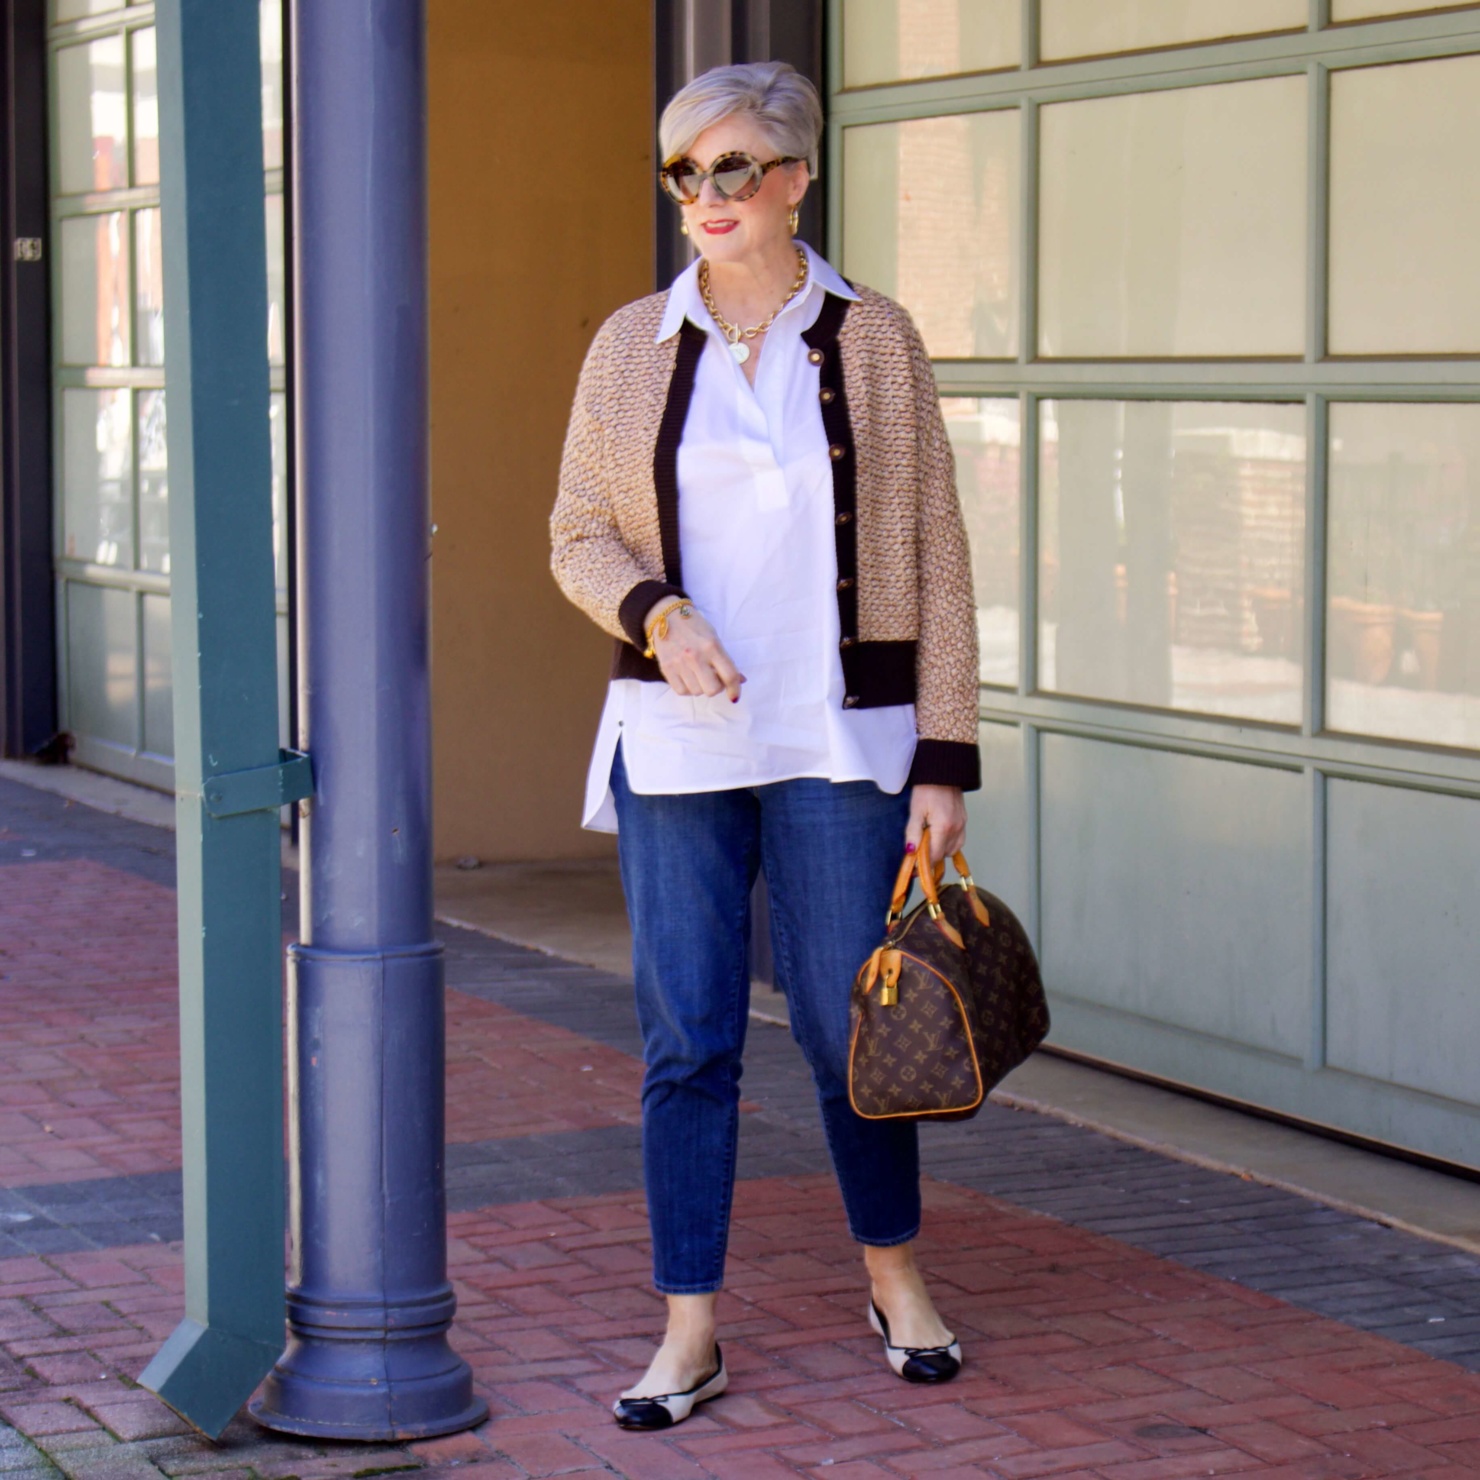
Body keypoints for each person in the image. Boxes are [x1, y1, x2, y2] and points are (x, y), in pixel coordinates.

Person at [550, 59, 981, 1431]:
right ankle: (689, 1329)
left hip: (837, 740)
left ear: (796, 175)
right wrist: (657, 613)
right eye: (686, 171)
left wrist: (945, 756)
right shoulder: (631, 346)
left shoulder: (874, 338)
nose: (708, 196)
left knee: (856, 1027)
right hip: (677, 743)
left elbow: (940, 556)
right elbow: (576, 533)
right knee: (688, 1039)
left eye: (736, 167)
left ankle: (895, 1279)